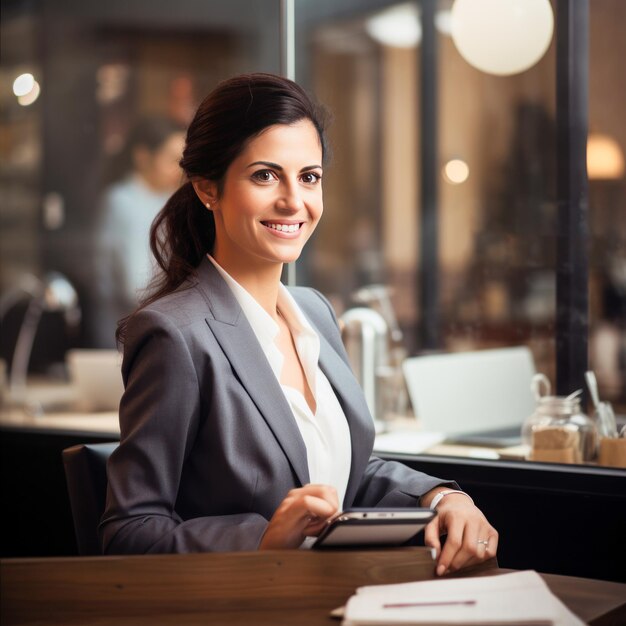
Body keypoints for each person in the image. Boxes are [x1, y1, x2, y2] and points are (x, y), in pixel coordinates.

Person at [100, 73, 498, 576]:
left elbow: (340, 471)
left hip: (336, 596)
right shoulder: (174, 334)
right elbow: (128, 532)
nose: (294, 200)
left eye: (309, 176)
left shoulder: (313, 312)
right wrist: (262, 540)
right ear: (207, 189)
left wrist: (441, 498)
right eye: (265, 175)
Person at [93, 116, 186, 347]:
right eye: (172, 160)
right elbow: (135, 285)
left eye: (183, 160)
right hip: (128, 328)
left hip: (160, 321)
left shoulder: (169, 200)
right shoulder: (123, 201)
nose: (179, 170)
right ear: (143, 157)